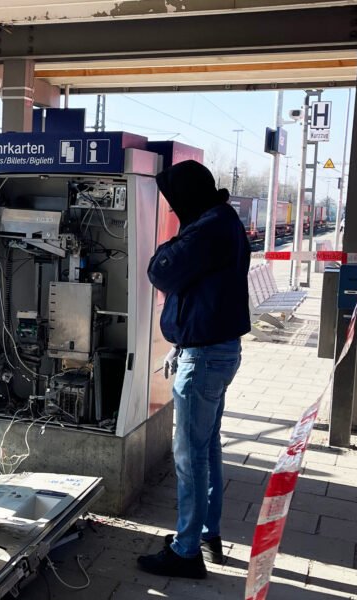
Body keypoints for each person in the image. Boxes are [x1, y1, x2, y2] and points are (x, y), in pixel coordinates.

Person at [138, 160, 250, 578]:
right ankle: (207, 533)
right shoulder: (224, 220)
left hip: (203, 358)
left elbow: (160, 270)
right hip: (215, 351)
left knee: (189, 456)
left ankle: (187, 552)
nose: (171, 209)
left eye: (173, 201)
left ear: (187, 196)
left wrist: (170, 243)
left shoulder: (207, 228)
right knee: (207, 448)